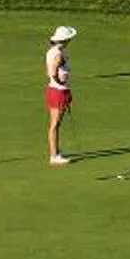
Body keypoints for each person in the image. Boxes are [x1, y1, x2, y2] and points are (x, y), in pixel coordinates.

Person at [46, 26, 78, 165]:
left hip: (53, 89)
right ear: (65, 40)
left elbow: (49, 72)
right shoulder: (59, 54)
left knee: (54, 124)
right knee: (55, 124)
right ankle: (54, 156)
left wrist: (56, 80)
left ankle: (55, 151)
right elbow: (53, 72)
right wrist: (60, 81)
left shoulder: (51, 52)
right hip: (59, 91)